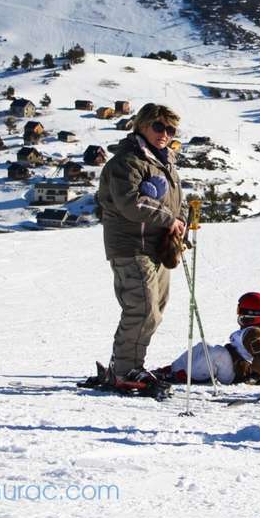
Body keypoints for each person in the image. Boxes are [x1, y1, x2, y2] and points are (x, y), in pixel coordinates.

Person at [81, 103, 188, 394]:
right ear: (141, 125)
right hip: (130, 246)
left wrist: (180, 225)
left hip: (157, 249)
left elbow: (174, 206)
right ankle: (125, 369)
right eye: (158, 126)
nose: (164, 133)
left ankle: (129, 365)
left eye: (170, 129)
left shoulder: (164, 162)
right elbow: (131, 203)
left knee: (155, 308)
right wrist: (169, 218)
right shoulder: (125, 162)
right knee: (142, 308)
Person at [156, 293, 260, 385]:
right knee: (203, 347)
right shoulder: (258, 331)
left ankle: (184, 376)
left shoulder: (254, 333)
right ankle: (173, 369)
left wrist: (257, 376)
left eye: (240, 310)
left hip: (239, 374)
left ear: (251, 314)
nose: (238, 314)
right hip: (237, 367)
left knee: (218, 353)